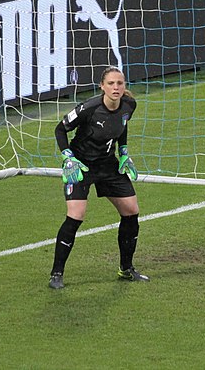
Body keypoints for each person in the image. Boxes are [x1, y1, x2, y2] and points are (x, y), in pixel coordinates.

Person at [48, 66, 148, 289]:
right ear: (102, 86)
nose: (116, 87)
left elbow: (122, 126)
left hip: (107, 165)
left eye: (120, 83)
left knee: (131, 210)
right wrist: (67, 157)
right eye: (111, 83)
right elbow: (59, 130)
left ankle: (126, 268)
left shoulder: (129, 105)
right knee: (76, 215)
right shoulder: (89, 108)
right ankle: (56, 273)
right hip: (81, 165)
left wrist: (123, 152)